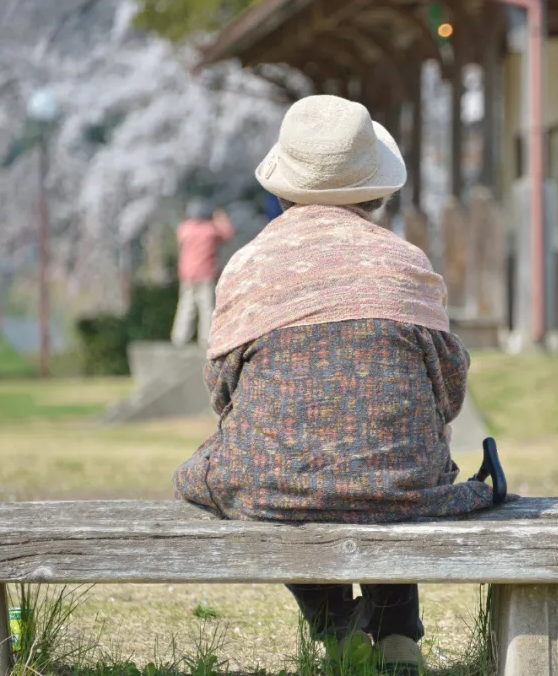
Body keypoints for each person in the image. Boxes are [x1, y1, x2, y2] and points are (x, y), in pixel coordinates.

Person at [172, 95, 507, 676]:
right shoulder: (406, 263)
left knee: (261, 469)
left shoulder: (248, 265)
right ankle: (396, 631)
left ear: (282, 187)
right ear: (375, 189)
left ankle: (332, 623)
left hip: (275, 487)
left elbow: (223, 392)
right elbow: (448, 391)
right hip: (402, 484)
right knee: (402, 461)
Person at [170, 202, 234, 347]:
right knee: (207, 307)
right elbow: (227, 233)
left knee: (186, 306)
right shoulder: (210, 230)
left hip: (187, 275)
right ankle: (206, 339)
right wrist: (220, 218)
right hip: (205, 274)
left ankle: (179, 338)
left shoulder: (184, 229)